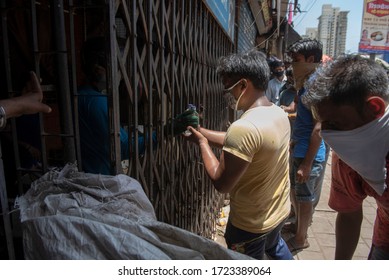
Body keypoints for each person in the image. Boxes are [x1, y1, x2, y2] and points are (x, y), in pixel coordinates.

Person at [184, 50, 293, 260]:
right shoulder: (277, 113)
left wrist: (202, 143)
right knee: (275, 248)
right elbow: (248, 144)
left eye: (229, 87)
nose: (227, 94)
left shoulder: (244, 127)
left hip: (250, 225)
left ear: (244, 84)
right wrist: (201, 131)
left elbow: (221, 183)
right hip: (278, 210)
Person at [303, 54, 389, 260]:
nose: (326, 135)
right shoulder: (348, 156)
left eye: (334, 124)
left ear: (374, 108)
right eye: (323, 125)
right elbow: (349, 213)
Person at [284, 39, 327, 253]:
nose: (293, 64)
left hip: (309, 154)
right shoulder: (307, 82)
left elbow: (318, 128)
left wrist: (307, 163)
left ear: (310, 60)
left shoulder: (315, 85)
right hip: (300, 148)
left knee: (304, 198)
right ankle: (297, 226)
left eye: (296, 60)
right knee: (297, 193)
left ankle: (301, 238)